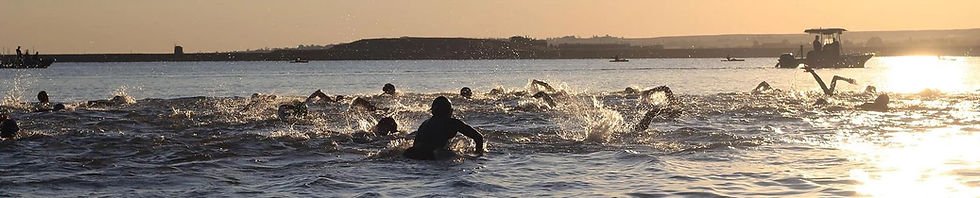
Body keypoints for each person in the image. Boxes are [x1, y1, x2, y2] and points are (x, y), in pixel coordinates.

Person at [403, 96, 485, 160]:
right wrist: (477, 155)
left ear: (432, 111)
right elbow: (479, 137)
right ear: (450, 111)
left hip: (410, 154)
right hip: (432, 155)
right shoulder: (452, 123)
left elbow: (416, 145)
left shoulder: (425, 123)